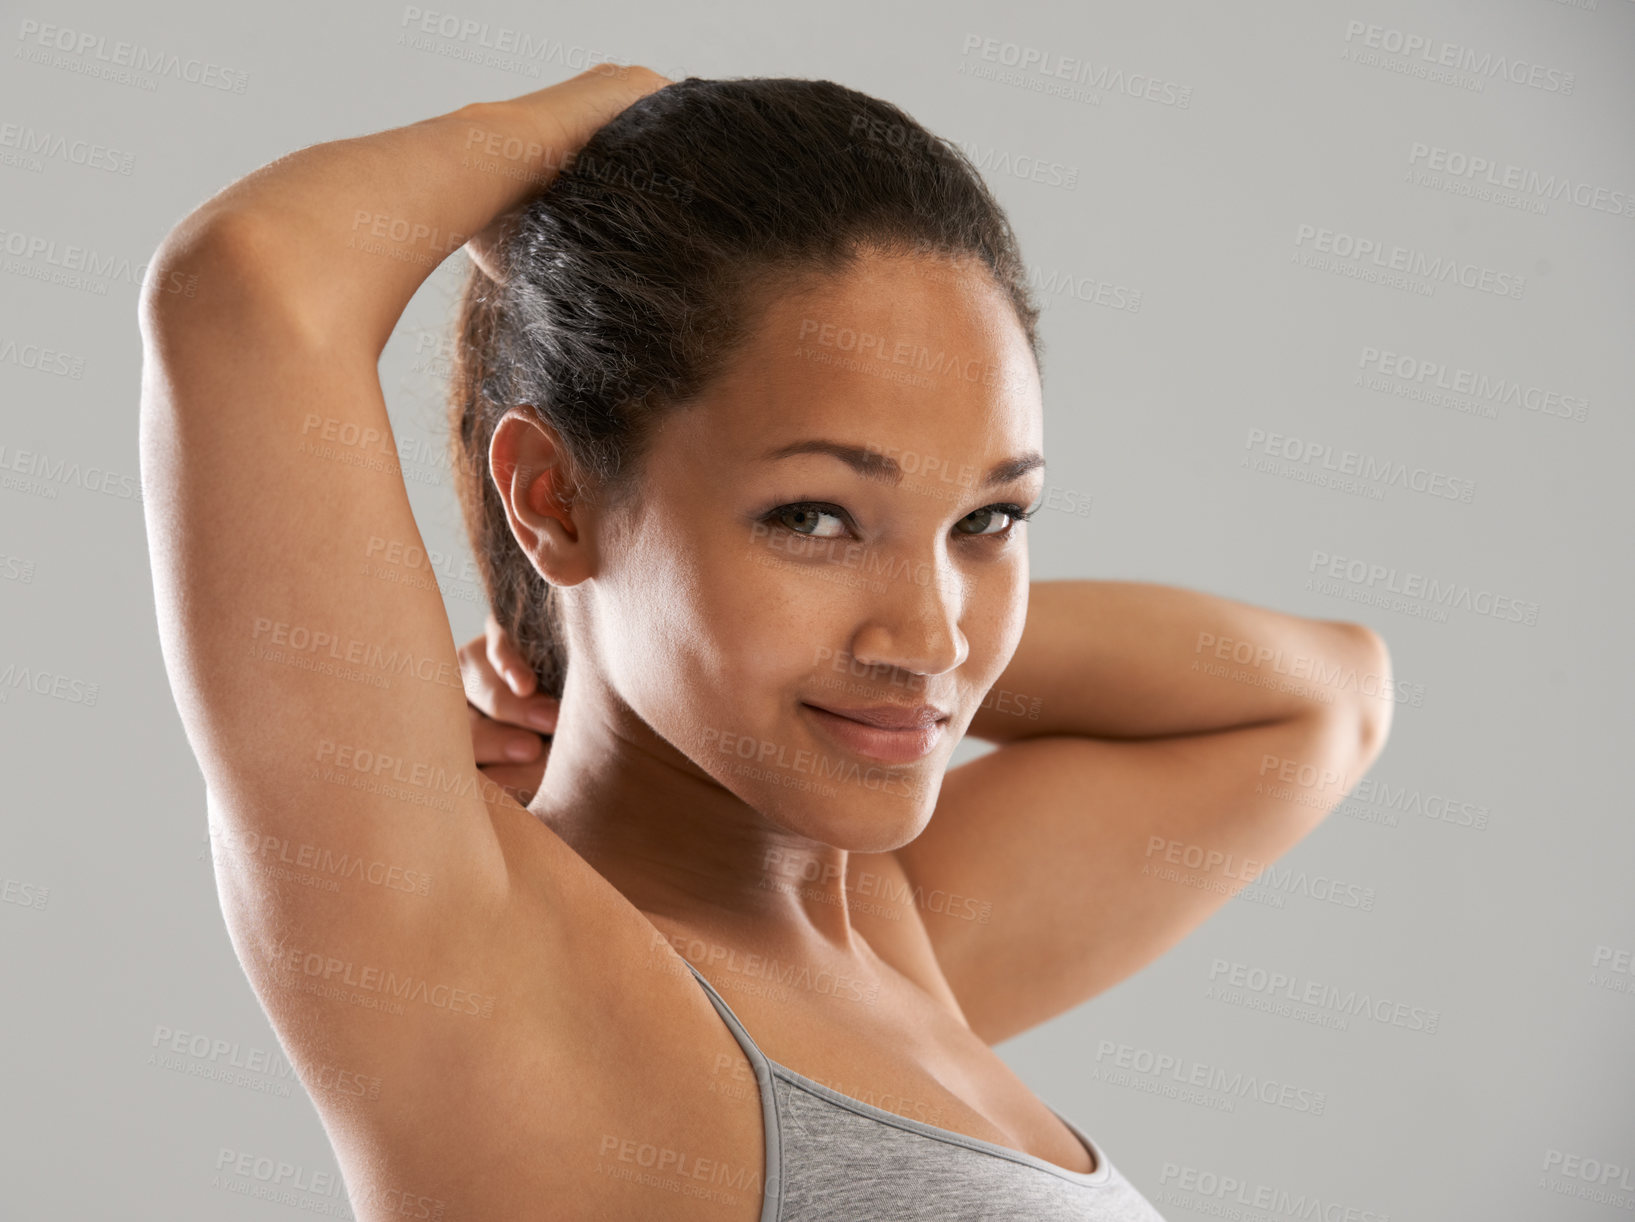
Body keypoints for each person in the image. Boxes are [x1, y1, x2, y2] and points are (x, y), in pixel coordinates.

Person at [138, 64, 1392, 1221]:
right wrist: (611, 113)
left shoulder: (887, 938)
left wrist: (671, 643)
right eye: (814, 517)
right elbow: (249, 280)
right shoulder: (503, 984)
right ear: (556, 501)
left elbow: (1325, 701)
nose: (933, 629)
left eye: (987, 519)